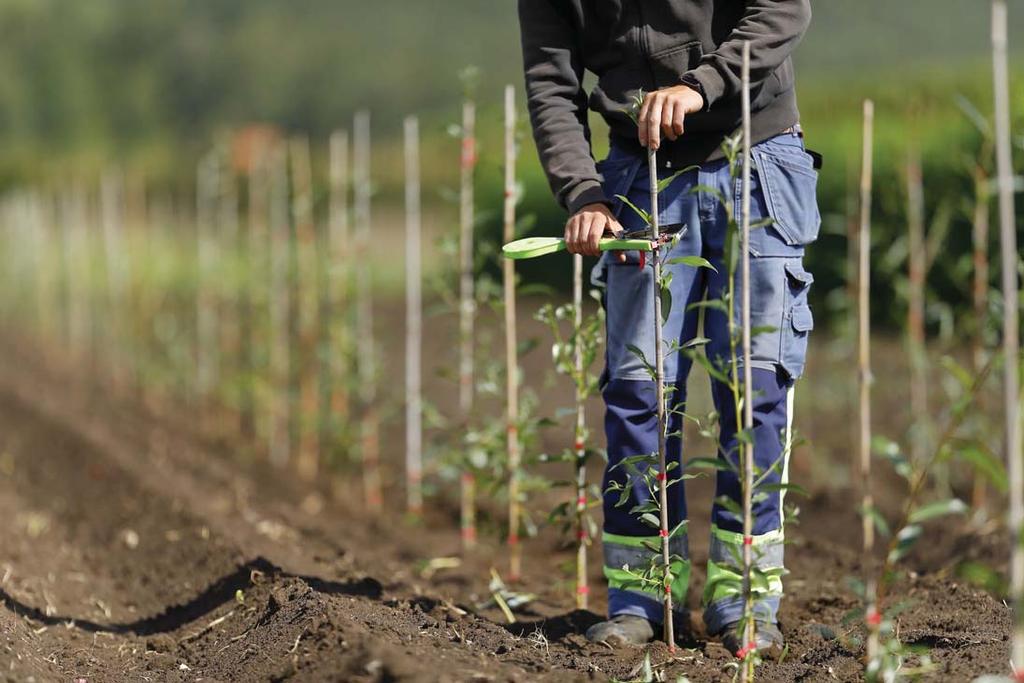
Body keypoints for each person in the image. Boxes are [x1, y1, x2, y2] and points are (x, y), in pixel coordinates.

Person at [518, 0, 819, 655]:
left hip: (757, 155)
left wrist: (700, 84)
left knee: (754, 388)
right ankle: (640, 598)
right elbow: (550, 81)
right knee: (638, 393)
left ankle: (746, 597)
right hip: (638, 174)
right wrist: (583, 194)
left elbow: (784, 9)